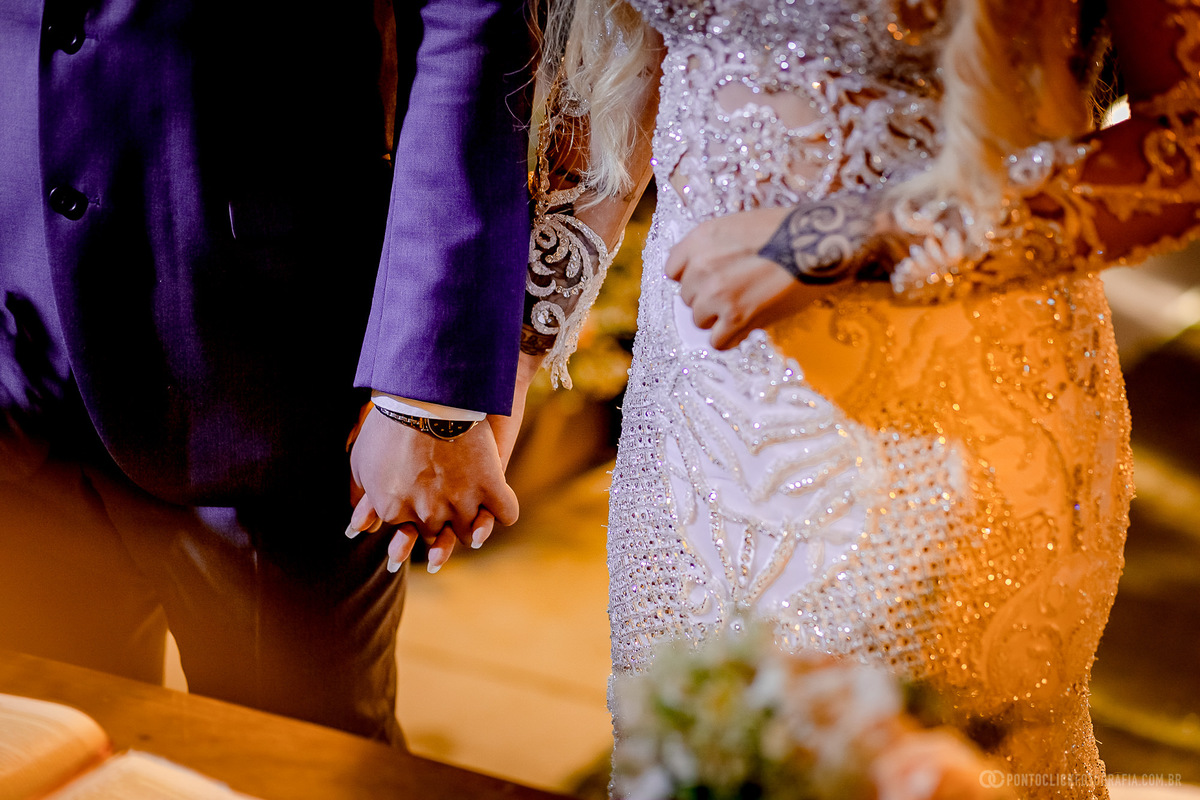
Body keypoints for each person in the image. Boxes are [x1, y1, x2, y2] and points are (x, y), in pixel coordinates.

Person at [512, 0, 1200, 795]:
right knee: (693, 741)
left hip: (936, 415)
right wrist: (508, 357)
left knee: (890, 755)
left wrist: (834, 236)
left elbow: (1181, 151)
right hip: (694, 413)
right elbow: (626, 72)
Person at [0, 0, 531, 743]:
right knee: (43, 758)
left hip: (273, 367)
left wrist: (428, 389)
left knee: (303, 769)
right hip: (16, 371)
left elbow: (469, 19)